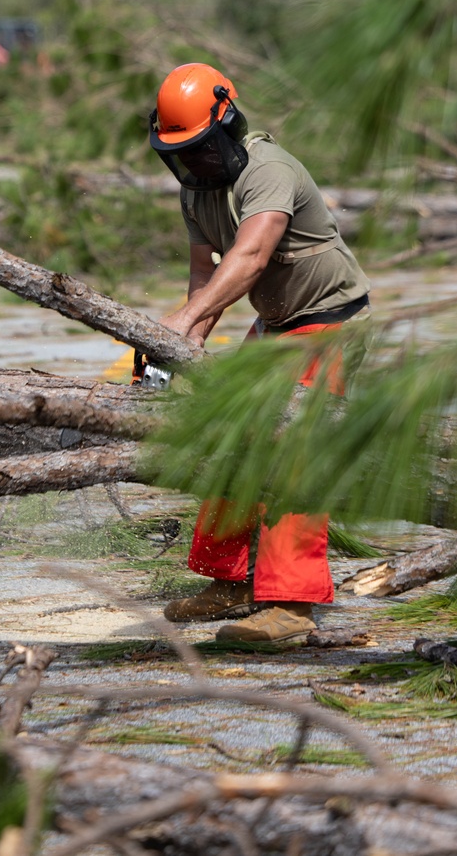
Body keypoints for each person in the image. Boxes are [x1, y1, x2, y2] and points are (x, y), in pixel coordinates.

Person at [148, 62, 371, 644]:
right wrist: (185, 339)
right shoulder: (196, 190)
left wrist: (179, 321)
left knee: (292, 449)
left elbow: (245, 261)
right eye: (182, 153)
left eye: (200, 148)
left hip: (328, 321)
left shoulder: (268, 171)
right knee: (235, 436)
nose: (194, 162)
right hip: (277, 325)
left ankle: (292, 606)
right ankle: (231, 581)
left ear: (227, 122)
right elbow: (205, 275)